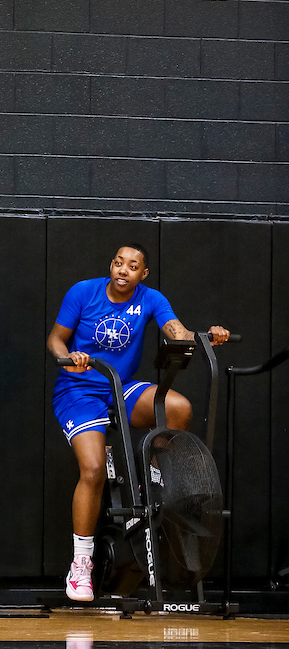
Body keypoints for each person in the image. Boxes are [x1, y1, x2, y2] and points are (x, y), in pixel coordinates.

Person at [45, 243, 229, 603]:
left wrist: (208, 337)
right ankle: (81, 563)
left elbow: (179, 335)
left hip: (120, 386)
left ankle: (154, 482)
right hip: (79, 388)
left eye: (132, 266)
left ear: (142, 274)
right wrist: (68, 357)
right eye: (118, 263)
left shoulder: (151, 298)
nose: (123, 270)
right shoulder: (83, 292)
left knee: (178, 408)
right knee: (94, 469)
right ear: (111, 265)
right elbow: (55, 338)